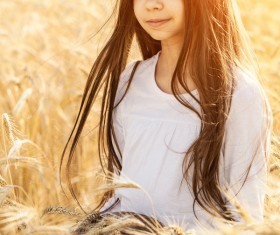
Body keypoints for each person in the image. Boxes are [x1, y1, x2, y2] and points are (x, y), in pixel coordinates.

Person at [60, 0, 273, 233]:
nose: (151, 4)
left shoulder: (239, 94)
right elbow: (123, 197)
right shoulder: (130, 81)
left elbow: (246, 220)